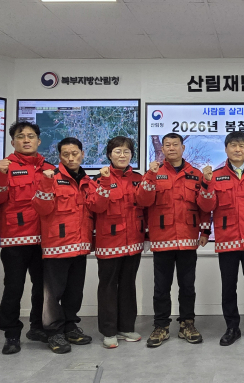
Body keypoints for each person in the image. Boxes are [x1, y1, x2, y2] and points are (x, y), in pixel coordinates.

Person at [0, 121, 55, 354]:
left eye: (31, 136)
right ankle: (11, 334)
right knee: (13, 288)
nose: (26, 140)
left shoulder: (49, 168)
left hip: (45, 240)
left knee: (43, 289)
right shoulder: (4, 167)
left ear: (38, 141)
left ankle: (38, 327)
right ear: (13, 142)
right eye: (21, 136)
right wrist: (0, 175)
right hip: (15, 239)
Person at [135, 133, 210, 348]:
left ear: (183, 148)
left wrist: (205, 231)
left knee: (187, 286)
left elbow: (204, 207)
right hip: (162, 238)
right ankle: (161, 326)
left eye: (175, 144)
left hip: (187, 238)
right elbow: (142, 201)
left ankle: (187, 324)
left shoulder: (196, 174)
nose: (171, 148)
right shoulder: (154, 172)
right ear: (163, 149)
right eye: (167, 145)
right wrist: (150, 175)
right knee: (161, 287)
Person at [197, 131, 244, 346]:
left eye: (242, 146)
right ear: (226, 149)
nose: (238, 149)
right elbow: (206, 207)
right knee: (229, 286)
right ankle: (232, 327)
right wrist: (206, 183)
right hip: (227, 238)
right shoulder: (215, 176)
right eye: (233, 145)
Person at [32, 137, 95, 354]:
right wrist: (46, 183)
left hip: (80, 246)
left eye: (75, 153)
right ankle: (53, 332)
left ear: (82, 154)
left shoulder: (87, 181)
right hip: (56, 247)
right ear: (59, 156)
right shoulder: (51, 178)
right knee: (52, 295)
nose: (70, 158)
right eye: (65, 154)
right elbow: (41, 208)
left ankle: (70, 327)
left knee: (74, 292)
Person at [89, 137, 145, 349]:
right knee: (108, 287)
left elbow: (145, 207)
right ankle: (109, 330)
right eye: (118, 151)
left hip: (133, 242)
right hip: (108, 242)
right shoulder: (98, 179)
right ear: (109, 155)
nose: (122, 155)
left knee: (128, 285)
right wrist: (105, 182)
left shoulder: (138, 178)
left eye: (126, 151)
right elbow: (96, 207)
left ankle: (126, 327)